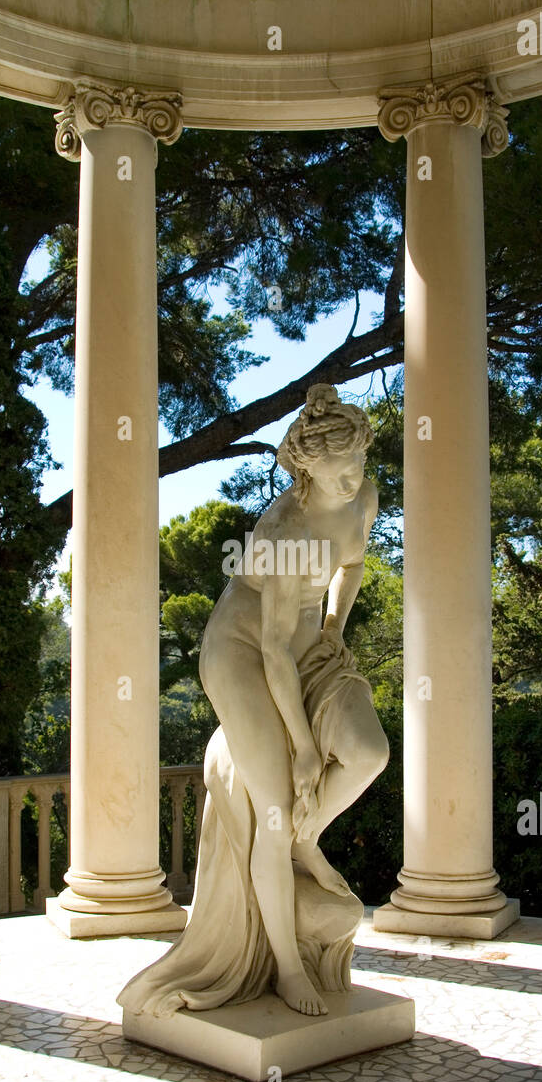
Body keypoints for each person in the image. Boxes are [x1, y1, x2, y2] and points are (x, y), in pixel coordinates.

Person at [118, 385, 388, 1022]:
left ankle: (308, 836)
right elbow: (269, 650)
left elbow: (350, 565)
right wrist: (299, 750)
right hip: (243, 655)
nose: (354, 482)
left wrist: (332, 629)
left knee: (369, 753)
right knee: (274, 813)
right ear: (305, 470)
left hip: (308, 645)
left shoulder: (364, 495)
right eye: (339, 473)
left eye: (357, 466)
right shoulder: (283, 530)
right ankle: (288, 967)